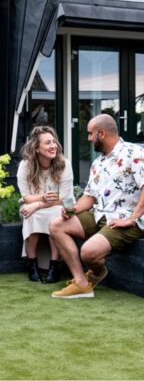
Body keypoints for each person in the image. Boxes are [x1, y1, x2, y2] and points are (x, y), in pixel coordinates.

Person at [50, 114, 144, 299]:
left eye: (90, 134)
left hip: (127, 219)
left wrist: (132, 219)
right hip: (99, 215)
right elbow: (89, 197)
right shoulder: (98, 162)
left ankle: (97, 273)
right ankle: (81, 283)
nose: (88, 138)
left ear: (102, 133)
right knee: (56, 225)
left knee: (88, 252)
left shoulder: (135, 153)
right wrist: (72, 210)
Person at [17, 125, 74, 283]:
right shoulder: (25, 166)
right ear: (36, 148)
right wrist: (40, 199)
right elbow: (26, 197)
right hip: (32, 203)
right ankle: (32, 264)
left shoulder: (64, 164)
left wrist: (37, 205)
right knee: (29, 214)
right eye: (47, 143)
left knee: (55, 214)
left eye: (53, 141)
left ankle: (55, 265)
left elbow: (63, 197)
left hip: (61, 204)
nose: (53, 145)